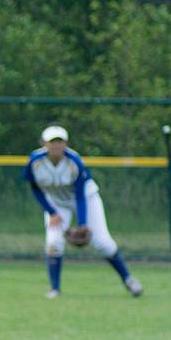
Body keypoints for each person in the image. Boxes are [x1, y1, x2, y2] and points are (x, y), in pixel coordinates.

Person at [23, 125, 143, 299]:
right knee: (53, 243)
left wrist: (82, 224)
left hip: (87, 199)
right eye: (52, 142)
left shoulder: (74, 161)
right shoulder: (35, 161)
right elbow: (34, 188)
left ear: (65, 143)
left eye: (59, 141)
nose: (56, 146)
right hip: (56, 204)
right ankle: (55, 289)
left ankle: (129, 280)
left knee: (103, 243)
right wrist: (51, 212)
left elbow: (80, 196)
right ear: (44, 143)